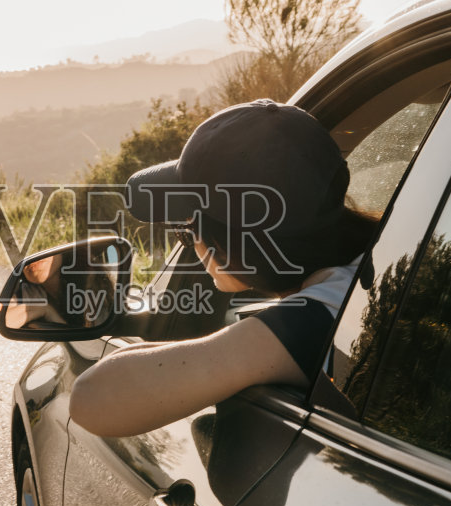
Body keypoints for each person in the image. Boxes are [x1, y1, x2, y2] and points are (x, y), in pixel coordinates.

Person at [70, 99, 379, 437]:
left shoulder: (315, 320)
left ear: (235, 242)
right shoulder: (369, 274)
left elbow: (90, 399)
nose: (191, 244)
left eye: (187, 230)